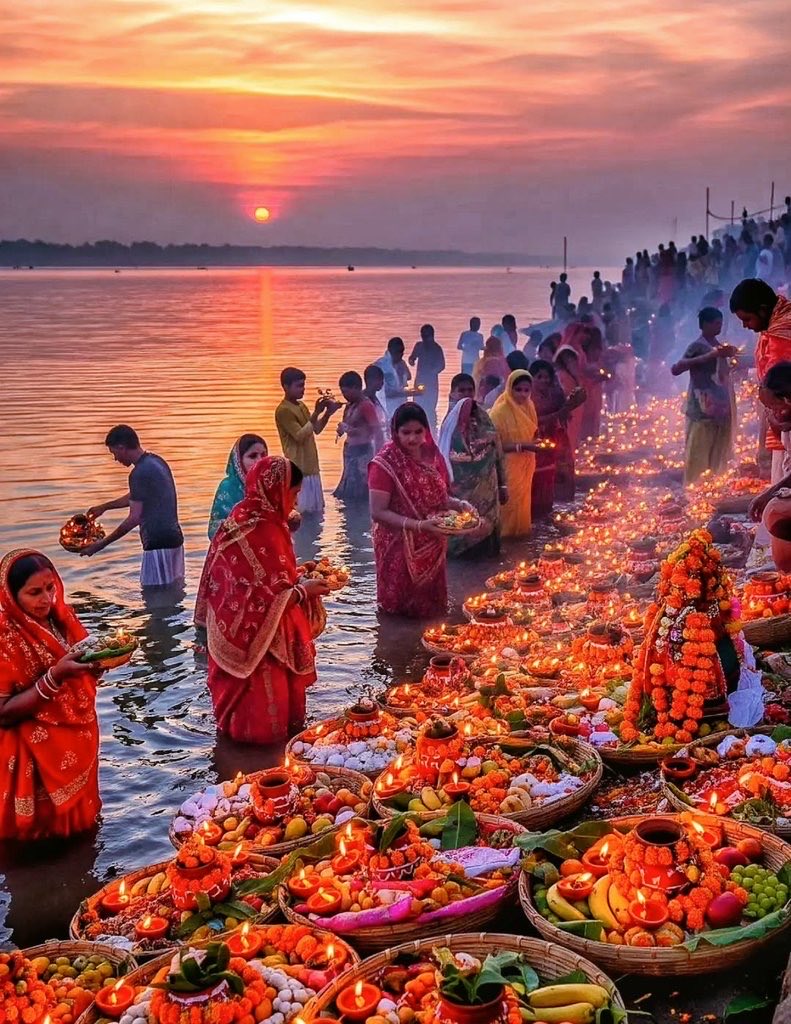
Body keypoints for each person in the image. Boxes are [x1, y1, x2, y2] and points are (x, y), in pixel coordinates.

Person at [195, 457, 329, 743]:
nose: (294, 502)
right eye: (292, 495)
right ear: (276, 492)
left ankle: (247, 762)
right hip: (259, 640)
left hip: (240, 628)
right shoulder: (264, 528)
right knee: (266, 721)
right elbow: (262, 591)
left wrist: (300, 575)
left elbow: (268, 578)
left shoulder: (239, 518)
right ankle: (265, 764)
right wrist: (304, 591)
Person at [0, 550, 101, 839]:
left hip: (78, 739)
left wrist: (99, 664)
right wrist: (55, 676)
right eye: (34, 592)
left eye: (50, 587)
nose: (46, 599)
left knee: (84, 834)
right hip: (34, 754)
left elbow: (81, 668)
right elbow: (3, 712)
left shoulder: (62, 619)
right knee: (42, 838)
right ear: (11, 595)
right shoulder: (5, 637)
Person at [369, 404, 468, 617]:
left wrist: (460, 505)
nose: (412, 439)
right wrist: (419, 526)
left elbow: (438, 498)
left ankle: (428, 640)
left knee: (433, 609)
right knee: (399, 609)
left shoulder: (431, 456)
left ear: (426, 431)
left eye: (418, 432)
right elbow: (377, 511)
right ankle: (395, 644)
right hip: (397, 543)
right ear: (395, 432)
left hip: (432, 538)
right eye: (406, 433)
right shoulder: (385, 463)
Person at [84, 425, 185, 587]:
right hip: (174, 539)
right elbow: (138, 496)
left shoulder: (138, 474)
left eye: (114, 453)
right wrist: (105, 507)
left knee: (154, 595)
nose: (115, 459)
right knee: (174, 589)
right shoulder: (156, 461)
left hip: (157, 545)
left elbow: (134, 518)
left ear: (121, 447)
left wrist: (101, 544)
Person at [438, 373, 507, 558]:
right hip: (461, 491)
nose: (467, 394)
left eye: (470, 390)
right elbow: (443, 458)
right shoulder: (449, 423)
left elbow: (497, 449)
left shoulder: (483, 417)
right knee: (463, 528)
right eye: (462, 390)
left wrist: (503, 485)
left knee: (487, 538)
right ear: (452, 393)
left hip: (487, 490)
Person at [730, 279, 791, 482]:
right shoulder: (779, 323)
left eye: (747, 319)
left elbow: (781, 379)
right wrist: (745, 363)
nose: (745, 326)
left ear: (763, 310)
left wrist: (777, 417)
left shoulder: (781, 334)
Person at [671, 307, 737, 484]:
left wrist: (732, 357)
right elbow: (677, 368)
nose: (720, 327)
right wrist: (711, 355)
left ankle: (713, 490)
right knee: (699, 453)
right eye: (716, 323)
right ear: (705, 325)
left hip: (721, 408)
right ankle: (695, 490)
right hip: (702, 408)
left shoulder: (719, 346)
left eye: (721, 323)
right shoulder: (698, 346)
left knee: (718, 454)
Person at [275, 367, 340, 514]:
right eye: (298, 386)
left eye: (303, 385)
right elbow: (299, 435)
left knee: (317, 513)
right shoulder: (283, 410)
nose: (302, 389)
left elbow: (315, 429)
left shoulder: (301, 406)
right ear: (286, 387)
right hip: (298, 470)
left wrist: (328, 413)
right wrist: (317, 411)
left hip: (311, 467)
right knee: (301, 515)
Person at [490, 371, 540, 537]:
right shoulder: (499, 412)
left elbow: (533, 433)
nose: (523, 394)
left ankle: (520, 540)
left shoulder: (530, 407)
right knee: (508, 505)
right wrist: (522, 446)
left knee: (523, 504)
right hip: (508, 466)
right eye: (518, 389)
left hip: (527, 463)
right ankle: (503, 540)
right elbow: (494, 446)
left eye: (527, 390)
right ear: (510, 388)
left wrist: (538, 443)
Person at [528, 359, 576, 514]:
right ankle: (537, 510)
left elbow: (565, 415)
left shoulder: (556, 392)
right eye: (539, 376)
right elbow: (532, 421)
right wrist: (556, 414)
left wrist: (568, 409)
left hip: (556, 437)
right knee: (539, 476)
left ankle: (560, 509)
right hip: (535, 441)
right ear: (532, 378)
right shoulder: (526, 396)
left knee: (561, 473)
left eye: (546, 376)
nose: (544, 380)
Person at [334, 370, 384, 500]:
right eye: (342, 392)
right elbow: (347, 424)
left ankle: (361, 517)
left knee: (361, 492)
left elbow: (376, 431)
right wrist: (342, 429)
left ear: (356, 388)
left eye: (346, 392)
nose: (344, 395)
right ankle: (351, 517)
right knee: (349, 491)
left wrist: (380, 456)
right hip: (350, 452)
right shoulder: (350, 405)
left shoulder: (366, 405)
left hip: (363, 453)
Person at [208, 434, 268, 539]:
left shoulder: (269, 485)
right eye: (253, 456)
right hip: (236, 550)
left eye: (263, 455)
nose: (260, 460)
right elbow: (215, 530)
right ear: (239, 460)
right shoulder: (228, 487)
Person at [408, 323, 446, 431]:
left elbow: (442, 365)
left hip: (432, 382)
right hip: (420, 380)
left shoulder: (437, 348)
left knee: (431, 407)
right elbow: (412, 357)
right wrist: (411, 361)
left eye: (427, 336)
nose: (425, 339)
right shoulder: (419, 346)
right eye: (423, 336)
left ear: (432, 336)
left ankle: (432, 430)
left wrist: (433, 371)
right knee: (417, 405)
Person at [555, 345, 587, 453]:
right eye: (573, 362)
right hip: (567, 419)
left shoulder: (572, 376)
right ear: (566, 362)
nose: (576, 365)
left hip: (574, 419)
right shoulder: (561, 376)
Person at [376, 337, 414, 419]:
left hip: (401, 403)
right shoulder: (382, 365)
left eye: (402, 352)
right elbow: (386, 392)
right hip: (386, 405)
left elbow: (409, 377)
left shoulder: (401, 363)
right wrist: (408, 393)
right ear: (391, 351)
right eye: (399, 352)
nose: (401, 355)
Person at [362, 363, 388, 447]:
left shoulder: (375, 398)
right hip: (368, 444)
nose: (382, 383)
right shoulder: (363, 400)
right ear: (370, 380)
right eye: (379, 380)